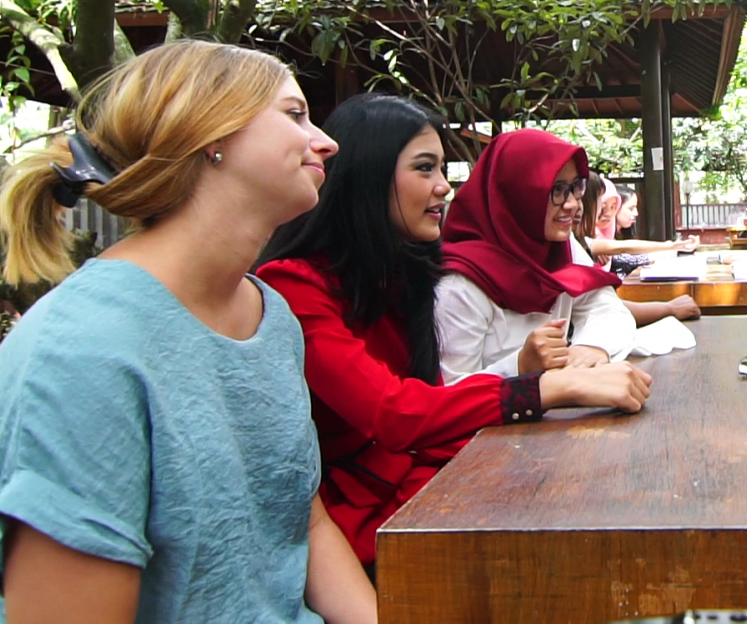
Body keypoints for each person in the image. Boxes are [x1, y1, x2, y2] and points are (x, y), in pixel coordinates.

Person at [0, 41, 375, 623]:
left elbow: (302, 520)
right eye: (293, 114)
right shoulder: (80, 355)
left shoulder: (270, 316)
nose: (326, 141)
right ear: (211, 132)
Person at [257, 96, 653, 571]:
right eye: (425, 169)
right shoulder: (301, 284)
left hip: (435, 472)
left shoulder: (408, 266)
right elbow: (396, 411)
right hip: (369, 515)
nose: (444, 187)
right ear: (368, 174)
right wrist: (542, 386)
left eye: (443, 169)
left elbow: (600, 304)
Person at [434, 129, 640, 383]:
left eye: (576, 187)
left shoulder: (560, 247)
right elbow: (449, 394)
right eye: (557, 189)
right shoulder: (460, 283)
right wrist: (519, 366)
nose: (573, 204)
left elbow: (609, 310)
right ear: (515, 194)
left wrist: (592, 347)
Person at [574, 170, 701, 325]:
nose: (605, 211)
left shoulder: (582, 244)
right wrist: (670, 308)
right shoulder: (579, 246)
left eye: (612, 206)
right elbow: (622, 250)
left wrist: (671, 246)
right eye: (601, 202)